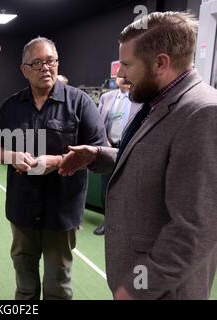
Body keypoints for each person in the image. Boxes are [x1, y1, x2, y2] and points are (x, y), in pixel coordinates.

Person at [59, 12, 217, 299]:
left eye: (127, 65)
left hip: (161, 290)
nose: (120, 75)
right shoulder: (161, 101)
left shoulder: (203, 112)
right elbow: (156, 159)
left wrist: (137, 286)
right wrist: (98, 155)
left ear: (161, 63)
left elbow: (194, 231)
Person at [0, 37, 106, 300]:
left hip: (62, 210)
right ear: (24, 69)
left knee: (58, 282)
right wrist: (11, 156)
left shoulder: (80, 103)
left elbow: (100, 152)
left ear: (57, 63)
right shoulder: (11, 107)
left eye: (50, 61)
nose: (45, 68)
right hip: (22, 208)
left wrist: (55, 162)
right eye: (37, 63)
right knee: (24, 280)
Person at [93, 76, 141, 235]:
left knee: (129, 189)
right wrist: (104, 142)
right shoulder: (107, 97)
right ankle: (108, 222)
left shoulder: (141, 98)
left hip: (130, 150)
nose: (125, 78)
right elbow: (99, 123)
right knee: (106, 189)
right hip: (108, 148)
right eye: (120, 76)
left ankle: (127, 225)